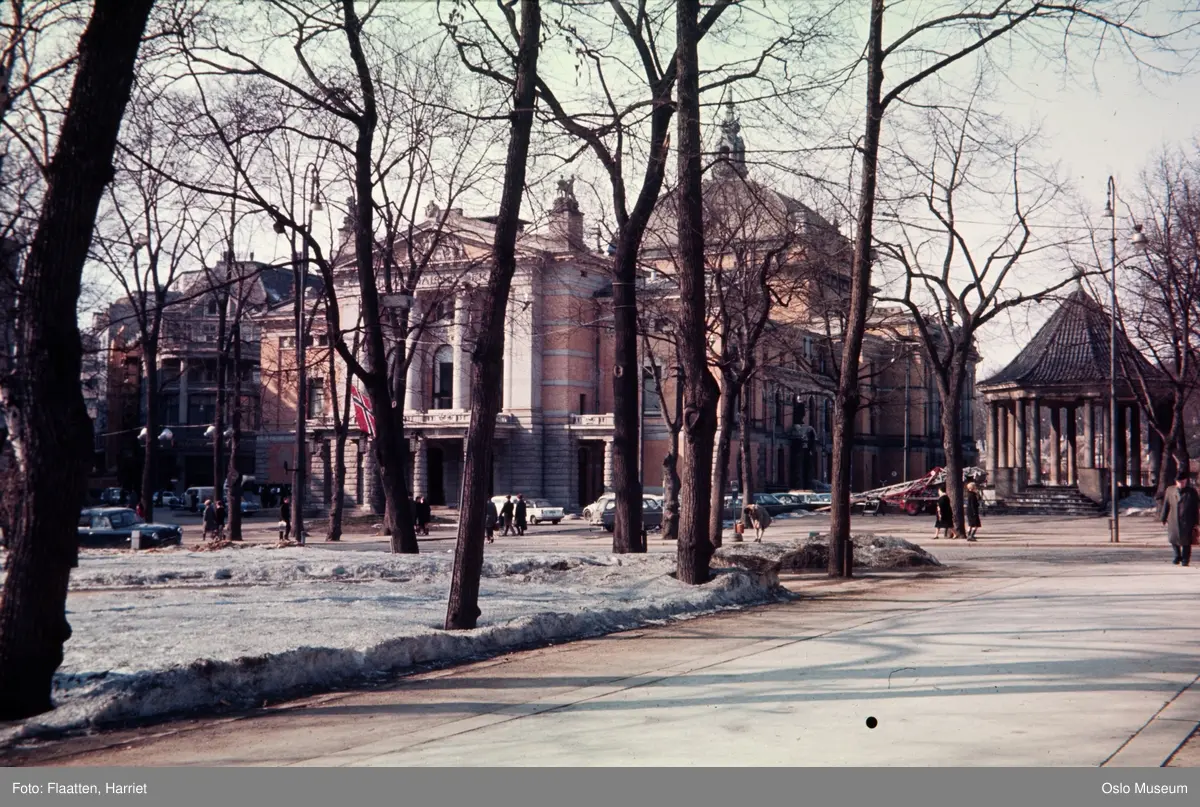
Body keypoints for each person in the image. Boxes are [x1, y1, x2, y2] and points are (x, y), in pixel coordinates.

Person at [1160, 469, 1199, 567]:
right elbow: (1166, 505)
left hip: (1188, 520)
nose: (1181, 483)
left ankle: (1185, 559)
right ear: (1176, 481)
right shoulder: (1170, 490)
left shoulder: (1192, 492)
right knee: (1173, 538)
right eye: (1179, 482)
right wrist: (1163, 518)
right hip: (1173, 519)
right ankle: (1177, 556)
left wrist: (1197, 522)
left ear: (1186, 481)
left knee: (1187, 540)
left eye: (1183, 481)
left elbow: (1196, 508)